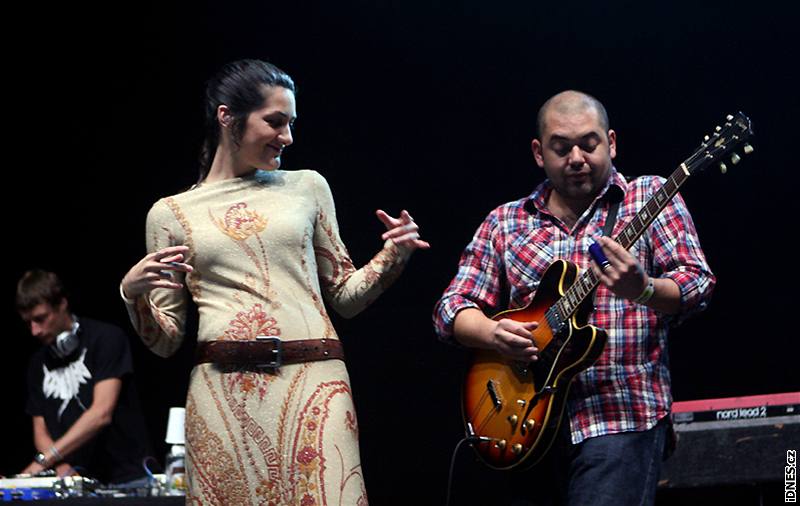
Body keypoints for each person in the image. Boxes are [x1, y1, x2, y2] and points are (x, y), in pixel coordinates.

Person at [120, 59, 429, 504]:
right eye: (276, 122)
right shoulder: (170, 214)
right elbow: (166, 341)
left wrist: (393, 255)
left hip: (315, 382)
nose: (288, 137)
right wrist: (133, 296)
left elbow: (344, 295)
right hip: (223, 396)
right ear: (227, 117)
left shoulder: (306, 187)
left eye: (291, 123)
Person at [433, 90, 715, 505]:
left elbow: (697, 284)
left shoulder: (650, 197)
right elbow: (449, 309)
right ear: (538, 152)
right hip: (523, 423)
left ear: (612, 143)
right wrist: (492, 333)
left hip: (621, 415)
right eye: (562, 148)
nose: (577, 158)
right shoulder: (505, 221)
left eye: (590, 143)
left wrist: (645, 289)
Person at [17, 269, 151, 486]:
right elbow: (40, 431)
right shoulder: (37, 363)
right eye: (29, 322)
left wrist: (42, 462)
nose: (35, 331)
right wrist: (60, 465)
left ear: (61, 304)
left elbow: (101, 413)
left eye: (40, 319)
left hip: (126, 478)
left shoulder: (106, 339)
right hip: (75, 481)